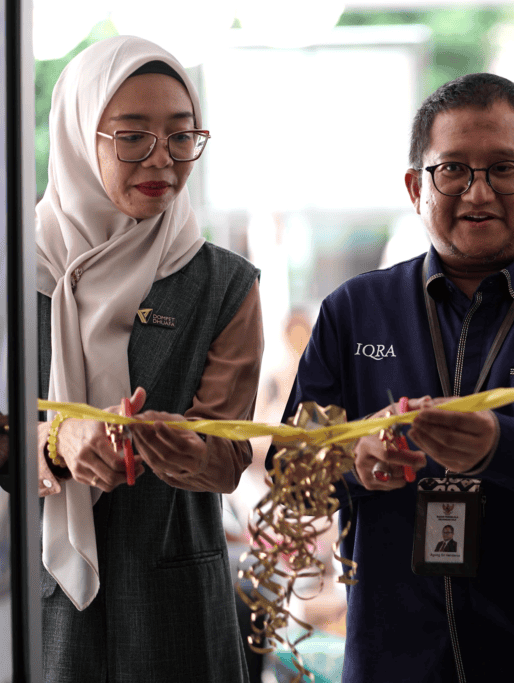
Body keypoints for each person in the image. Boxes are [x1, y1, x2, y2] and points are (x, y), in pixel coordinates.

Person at [280, 72, 514, 682]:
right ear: (414, 186)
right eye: (452, 170)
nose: (477, 194)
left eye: (504, 169)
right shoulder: (353, 310)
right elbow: (288, 466)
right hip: (396, 657)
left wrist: (500, 446)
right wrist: (354, 456)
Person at [17, 35, 263, 681]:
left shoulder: (224, 283)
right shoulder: (20, 275)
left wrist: (189, 450)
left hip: (175, 604)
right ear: (77, 134)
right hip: (34, 605)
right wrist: (55, 445)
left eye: (182, 137)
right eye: (132, 137)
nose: (163, 159)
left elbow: (229, 451)